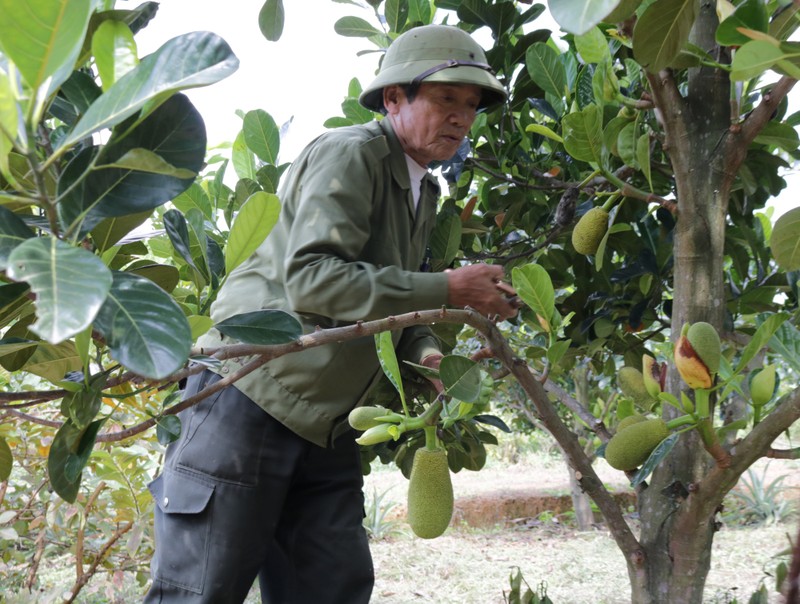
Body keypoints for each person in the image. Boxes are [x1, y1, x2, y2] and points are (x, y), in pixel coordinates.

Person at [144, 23, 518, 604]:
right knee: (200, 591)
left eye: (471, 105)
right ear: (394, 98)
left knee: (332, 589)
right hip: (252, 394)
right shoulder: (352, 154)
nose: (462, 118)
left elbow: (393, 298)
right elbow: (313, 279)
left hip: (330, 424)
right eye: (446, 98)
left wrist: (425, 351)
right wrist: (449, 287)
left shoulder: (422, 190)